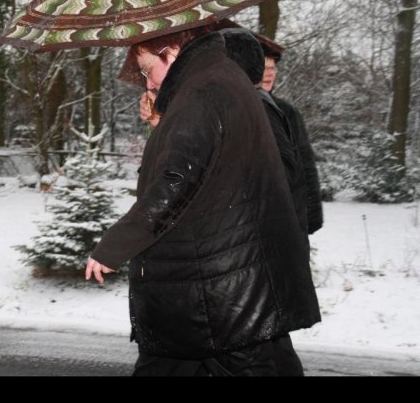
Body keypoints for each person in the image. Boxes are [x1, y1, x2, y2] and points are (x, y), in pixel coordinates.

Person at [85, 25, 321, 376]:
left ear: (171, 52)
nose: (148, 81)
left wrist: (113, 246)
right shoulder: (215, 81)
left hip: (217, 284)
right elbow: (209, 165)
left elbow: (176, 182)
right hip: (216, 280)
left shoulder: (203, 91)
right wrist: (166, 121)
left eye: (148, 69)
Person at [255, 34, 323, 235]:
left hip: (287, 214)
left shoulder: (286, 111)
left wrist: (311, 215)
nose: (270, 74)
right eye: (264, 68)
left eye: (273, 68)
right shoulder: (239, 107)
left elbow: (305, 163)